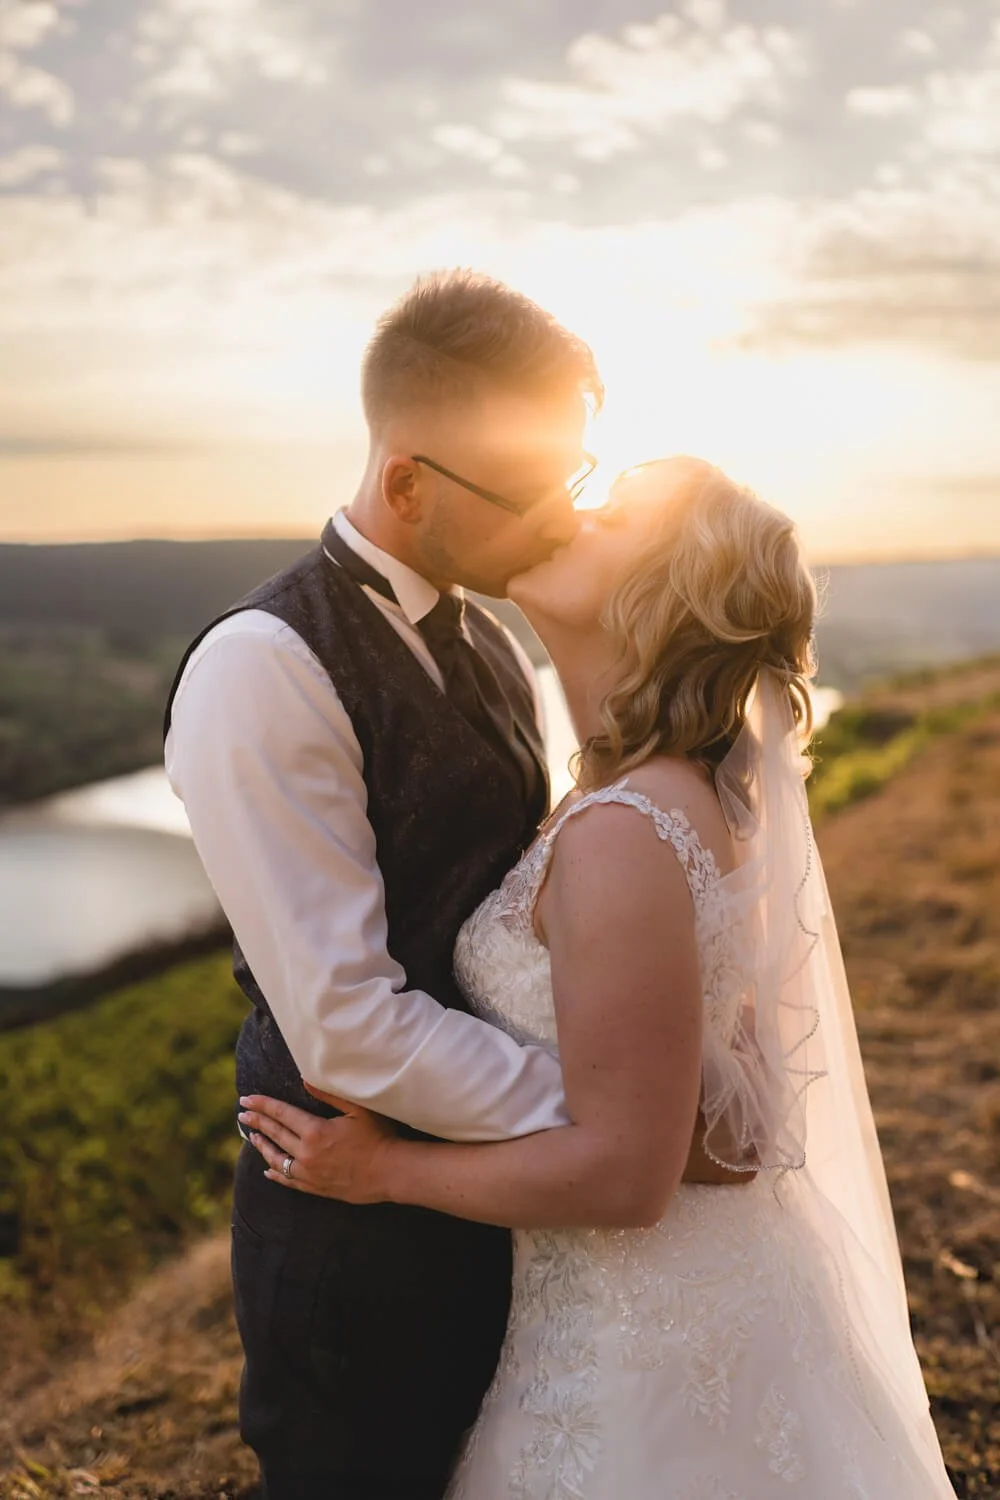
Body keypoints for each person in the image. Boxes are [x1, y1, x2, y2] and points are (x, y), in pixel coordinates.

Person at [241, 457, 959, 1498]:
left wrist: (380, 1171)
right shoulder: (661, 797)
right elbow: (726, 1106)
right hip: (662, 1309)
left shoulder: (627, 829)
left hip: (645, 1348)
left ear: (666, 591)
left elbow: (627, 1178)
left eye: (612, 512)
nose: (568, 510)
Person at [165, 273, 740, 1500]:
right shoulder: (264, 666)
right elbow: (345, 1025)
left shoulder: (490, 636)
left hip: (505, 1216)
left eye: (573, 477)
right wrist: (617, 1126)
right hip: (352, 1239)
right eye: (530, 489)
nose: (559, 516)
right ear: (408, 481)